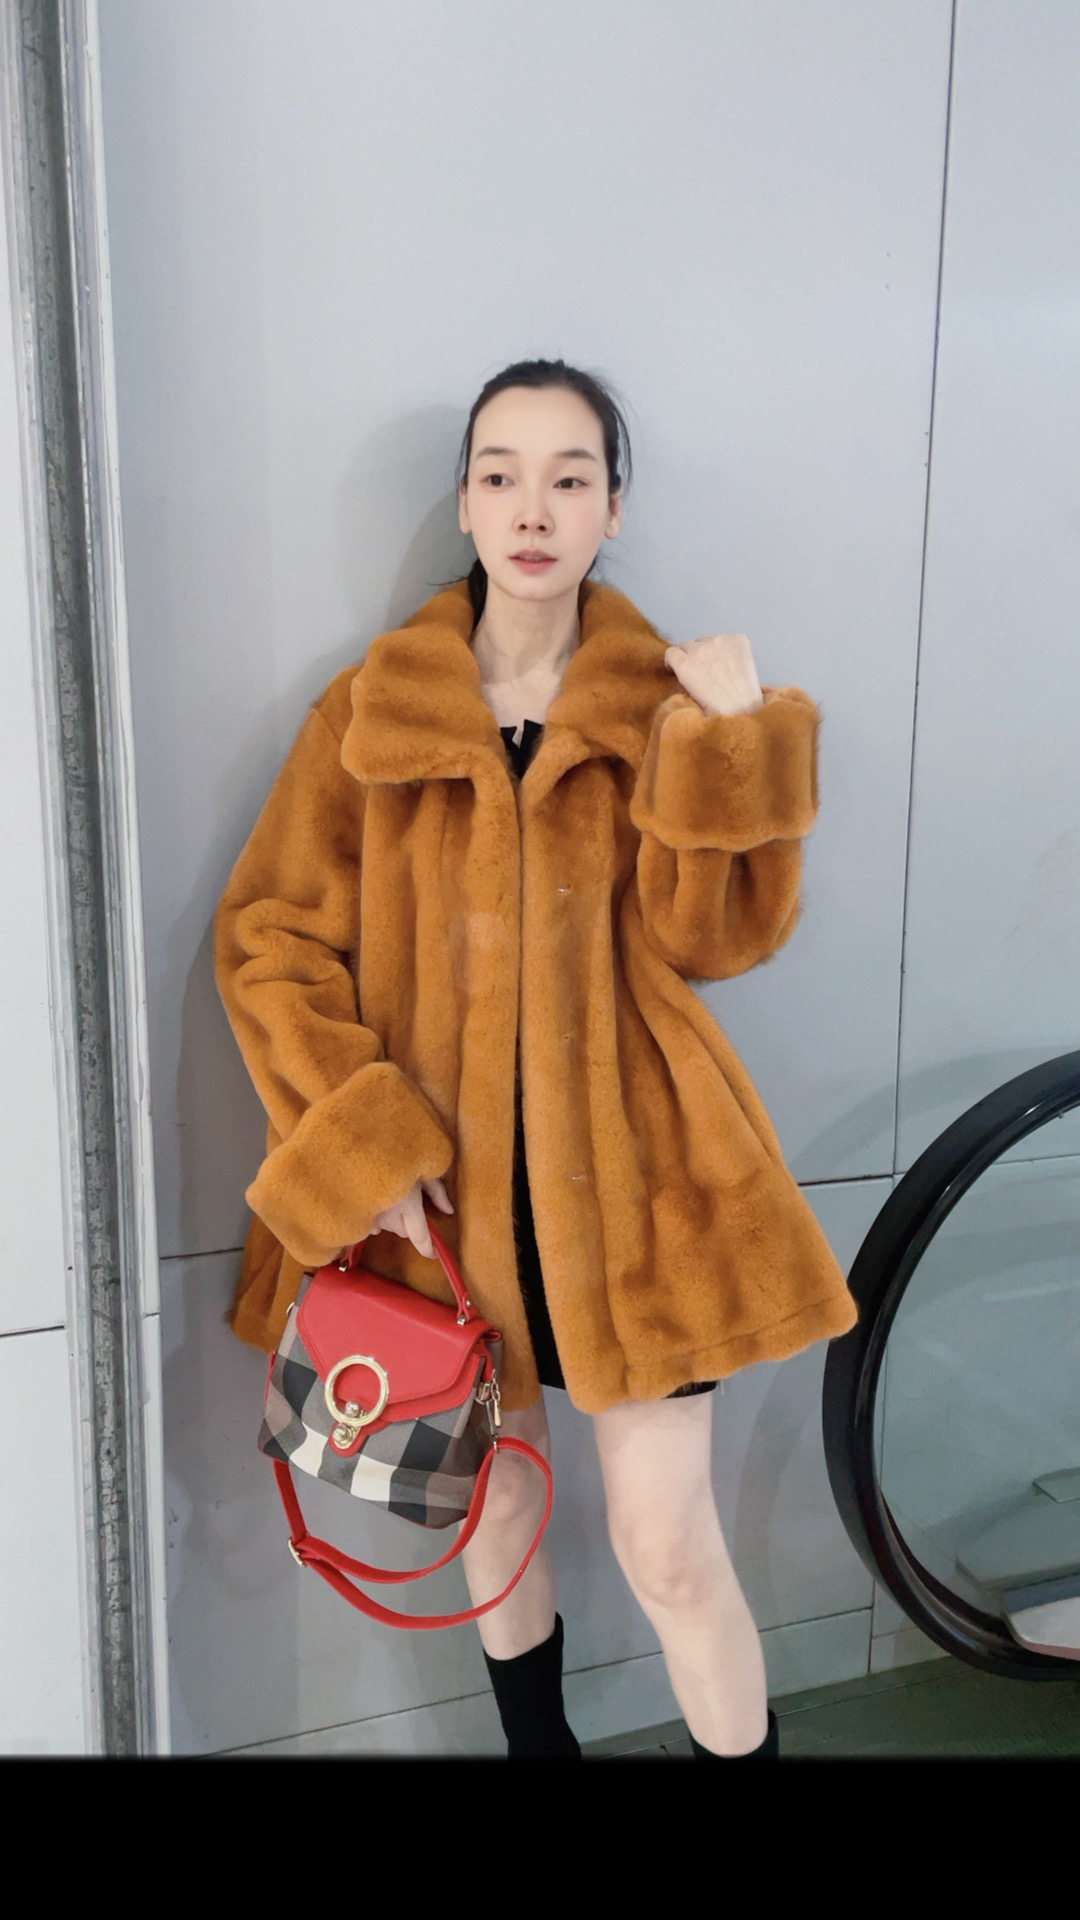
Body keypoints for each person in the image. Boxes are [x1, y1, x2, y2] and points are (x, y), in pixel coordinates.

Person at [214, 357, 858, 1761]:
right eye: (501, 474)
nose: (533, 508)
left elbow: (716, 941)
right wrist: (363, 1142)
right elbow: (268, 938)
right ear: (463, 500)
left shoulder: (658, 709)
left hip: (637, 1185)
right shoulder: (371, 715)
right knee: (497, 1513)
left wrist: (729, 744)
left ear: (613, 508)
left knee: (667, 1546)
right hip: (445, 1200)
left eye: (571, 477)